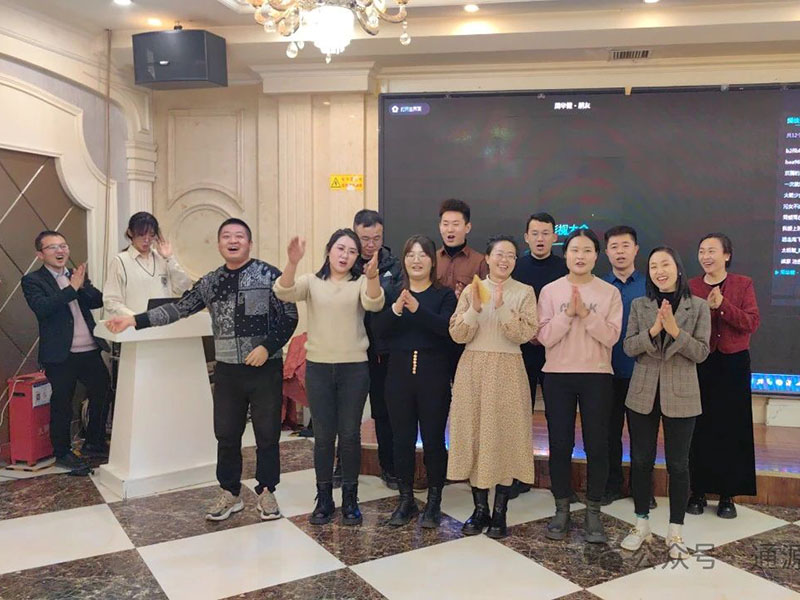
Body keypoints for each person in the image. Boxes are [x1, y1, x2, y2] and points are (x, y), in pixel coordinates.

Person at [106, 219, 298, 522]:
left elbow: (289, 315)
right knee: (226, 434)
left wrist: (267, 347)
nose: (233, 241)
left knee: (267, 434)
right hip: (228, 373)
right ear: (219, 244)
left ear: (249, 243)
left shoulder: (268, 275)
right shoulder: (211, 282)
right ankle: (230, 492)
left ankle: (266, 490)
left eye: (239, 236)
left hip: (265, 369)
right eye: (226, 236)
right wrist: (135, 320)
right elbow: (179, 308)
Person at [274, 230, 385, 526]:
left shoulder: (360, 282)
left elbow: (374, 303)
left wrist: (372, 276)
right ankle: (324, 499)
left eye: (351, 251)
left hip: (354, 369)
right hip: (319, 368)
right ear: (329, 250)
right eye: (340, 248)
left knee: (349, 434)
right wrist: (292, 262)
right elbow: (283, 291)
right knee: (323, 436)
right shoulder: (312, 282)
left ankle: (350, 499)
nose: (345, 255)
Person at [619, 247, 710, 561]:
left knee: (678, 464)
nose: (660, 271)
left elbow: (701, 352)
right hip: (643, 392)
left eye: (665, 264)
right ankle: (641, 524)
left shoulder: (698, 306)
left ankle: (675, 531)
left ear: (678, 268)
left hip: (682, 392)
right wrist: (654, 330)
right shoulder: (639, 304)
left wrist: (674, 331)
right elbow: (629, 346)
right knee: (641, 460)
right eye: (654, 266)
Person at [447, 235, 538, 539]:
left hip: (508, 369)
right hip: (473, 369)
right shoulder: (472, 289)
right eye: (499, 254)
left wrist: (501, 309)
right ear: (487, 258)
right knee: (475, 435)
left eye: (511, 255)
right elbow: (457, 334)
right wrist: (474, 309)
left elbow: (525, 334)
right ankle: (479, 509)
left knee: (504, 437)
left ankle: (500, 512)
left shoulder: (525, 292)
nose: (504, 260)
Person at [537, 228, 622, 544]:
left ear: (596, 256)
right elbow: (544, 337)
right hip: (557, 375)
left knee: (597, 444)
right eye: (574, 250)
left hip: (596, 375)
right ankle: (561, 508)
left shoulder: (608, 293)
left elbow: (611, 337)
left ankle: (593, 511)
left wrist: (585, 314)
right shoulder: (550, 291)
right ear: (566, 254)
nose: (580, 256)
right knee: (560, 444)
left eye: (587, 250)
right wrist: (567, 316)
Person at [372, 235, 457, 528]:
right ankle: (405, 499)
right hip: (398, 376)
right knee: (402, 439)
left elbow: (446, 329)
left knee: (433, 440)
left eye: (423, 255)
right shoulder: (394, 293)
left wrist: (417, 309)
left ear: (432, 261)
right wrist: (397, 308)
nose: (416, 260)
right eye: (411, 255)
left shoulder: (444, 295)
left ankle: (434, 501)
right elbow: (379, 330)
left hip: (433, 376)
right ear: (404, 260)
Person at [21, 231, 111, 474]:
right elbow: (43, 308)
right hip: (61, 355)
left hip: (89, 349)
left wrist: (80, 286)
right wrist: (71, 288)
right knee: (62, 403)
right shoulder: (32, 280)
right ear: (40, 254)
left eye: (63, 245)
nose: (60, 251)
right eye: (52, 247)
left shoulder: (75, 275)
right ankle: (62, 452)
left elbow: (97, 301)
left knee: (103, 392)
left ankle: (94, 442)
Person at [687, 233, 760, 519]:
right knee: (699, 427)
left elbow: (751, 322)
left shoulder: (743, 284)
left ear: (726, 255)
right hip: (700, 363)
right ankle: (697, 491)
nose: (706, 256)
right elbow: (686, 324)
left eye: (712, 251)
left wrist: (724, 306)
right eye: (702, 251)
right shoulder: (692, 286)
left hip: (733, 364)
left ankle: (727, 494)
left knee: (732, 428)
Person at [510, 211, 568, 498]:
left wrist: (543, 333)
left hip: (556, 352)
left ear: (555, 237)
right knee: (520, 415)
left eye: (546, 233)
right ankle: (518, 476)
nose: (540, 238)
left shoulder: (565, 268)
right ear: (526, 237)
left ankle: (560, 481)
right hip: (521, 352)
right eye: (535, 233)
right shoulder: (516, 267)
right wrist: (528, 332)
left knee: (558, 418)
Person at [601, 225, 655, 508]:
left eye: (625, 246)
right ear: (606, 252)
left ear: (636, 249)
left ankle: (641, 488)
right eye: (614, 247)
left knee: (641, 435)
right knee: (609, 433)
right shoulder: (598, 286)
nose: (620, 252)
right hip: (605, 372)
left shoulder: (650, 286)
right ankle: (612, 485)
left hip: (641, 371)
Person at [353, 209, 403, 490]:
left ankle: (389, 467)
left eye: (376, 238)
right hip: (351, 348)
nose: (371, 244)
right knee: (348, 411)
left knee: (384, 412)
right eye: (365, 238)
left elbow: (393, 300)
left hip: (383, 349)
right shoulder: (345, 261)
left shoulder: (394, 265)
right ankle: (343, 465)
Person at [103, 212, 192, 317]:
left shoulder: (163, 259)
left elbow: (183, 287)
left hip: (164, 323)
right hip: (135, 324)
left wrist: (169, 258)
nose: (147, 239)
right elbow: (111, 301)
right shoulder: (120, 261)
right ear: (130, 232)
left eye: (151, 235)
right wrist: (138, 319)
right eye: (141, 234)